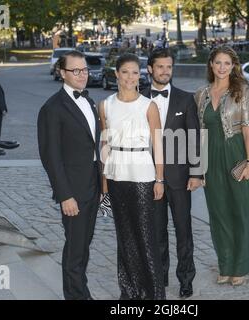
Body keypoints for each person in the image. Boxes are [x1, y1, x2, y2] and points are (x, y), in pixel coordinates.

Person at [194, 46, 249, 286]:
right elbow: (197, 134)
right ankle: (226, 263)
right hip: (210, 158)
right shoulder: (201, 94)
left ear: (233, 66)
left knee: (242, 211)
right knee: (219, 213)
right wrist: (197, 168)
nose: (222, 67)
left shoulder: (242, 91)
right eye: (218, 62)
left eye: (227, 63)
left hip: (237, 155)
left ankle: (242, 265)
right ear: (211, 65)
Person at [99, 53, 165, 300]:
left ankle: (155, 294)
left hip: (142, 174)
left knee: (145, 236)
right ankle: (129, 291)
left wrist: (159, 179)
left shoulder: (148, 106)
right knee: (124, 236)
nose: (130, 77)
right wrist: (104, 185)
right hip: (116, 174)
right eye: (125, 71)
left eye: (135, 72)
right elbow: (104, 146)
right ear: (116, 73)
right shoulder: (105, 105)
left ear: (141, 75)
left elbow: (158, 145)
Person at [37, 50, 101, 300]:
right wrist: (65, 196)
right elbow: (51, 157)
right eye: (75, 70)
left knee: (84, 244)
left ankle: (79, 290)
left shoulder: (89, 100)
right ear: (62, 73)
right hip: (73, 191)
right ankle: (76, 296)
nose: (82, 74)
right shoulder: (52, 108)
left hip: (93, 185)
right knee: (75, 248)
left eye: (84, 69)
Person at [141, 48, 201, 298]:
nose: (165, 71)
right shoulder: (138, 99)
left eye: (169, 67)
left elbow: (195, 138)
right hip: (149, 177)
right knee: (156, 232)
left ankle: (186, 279)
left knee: (183, 231)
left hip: (180, 178)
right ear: (150, 69)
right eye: (161, 67)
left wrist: (197, 173)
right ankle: (160, 277)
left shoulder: (186, 99)